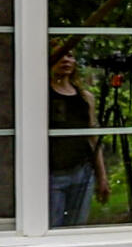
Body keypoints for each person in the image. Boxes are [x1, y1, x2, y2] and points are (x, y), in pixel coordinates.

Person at [47, 50, 110, 227]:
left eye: (70, 56)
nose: (65, 60)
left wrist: (102, 176)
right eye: (60, 55)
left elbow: (93, 138)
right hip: (52, 175)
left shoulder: (84, 97)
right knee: (51, 227)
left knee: (76, 228)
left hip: (82, 172)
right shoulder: (43, 94)